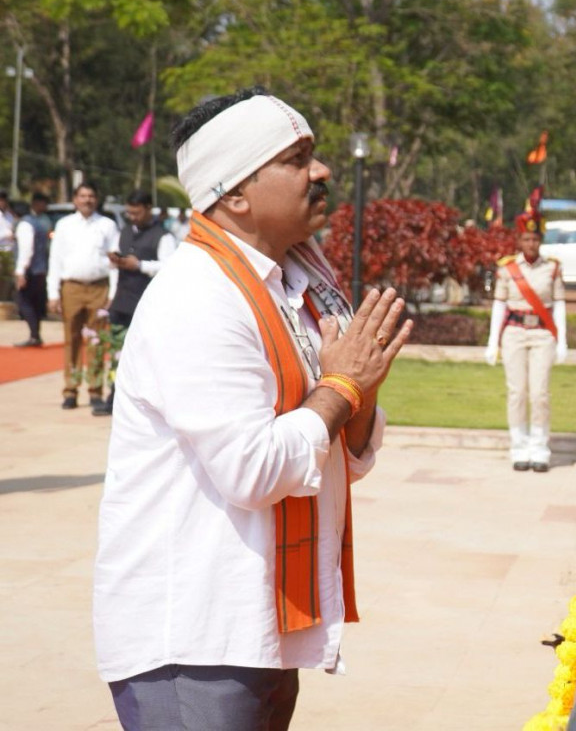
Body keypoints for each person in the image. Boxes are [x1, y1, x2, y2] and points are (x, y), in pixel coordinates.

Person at [93, 88, 413, 730]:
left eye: (315, 155)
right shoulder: (198, 298)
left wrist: (360, 387)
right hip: (191, 635)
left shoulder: (295, 284)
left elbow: (341, 454)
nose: (321, 172)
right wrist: (343, 386)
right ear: (235, 194)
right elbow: (254, 470)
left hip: (253, 624)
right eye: (297, 159)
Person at [485, 209, 567, 472]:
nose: (531, 244)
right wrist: (492, 341)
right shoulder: (507, 269)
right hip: (514, 333)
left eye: (535, 239)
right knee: (517, 392)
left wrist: (563, 339)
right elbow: (499, 305)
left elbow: (560, 304)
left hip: (542, 333)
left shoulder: (552, 268)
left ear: (540, 240)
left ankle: (540, 448)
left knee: (540, 393)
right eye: (526, 239)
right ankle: (519, 447)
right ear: (519, 241)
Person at [92, 189, 178, 416]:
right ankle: (114, 397)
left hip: (147, 304)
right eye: (129, 212)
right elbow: (114, 267)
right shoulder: (124, 232)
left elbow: (170, 268)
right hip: (122, 301)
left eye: (137, 212)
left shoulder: (164, 236)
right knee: (118, 352)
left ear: (149, 208)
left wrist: (140, 265)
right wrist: (112, 288)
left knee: (145, 355)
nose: (132, 216)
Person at [46, 182, 118, 410]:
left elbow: (115, 260)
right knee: (72, 340)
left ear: (96, 199)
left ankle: (95, 390)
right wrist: (52, 293)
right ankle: (71, 390)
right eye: (82, 196)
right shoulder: (64, 225)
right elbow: (55, 260)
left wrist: (113, 293)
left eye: (91, 196)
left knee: (97, 341)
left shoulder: (107, 225)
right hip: (72, 288)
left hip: (98, 288)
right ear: (75, 200)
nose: (87, 200)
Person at [13, 193, 52, 346]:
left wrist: (21, 271)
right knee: (35, 302)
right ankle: (36, 334)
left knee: (23, 301)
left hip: (30, 270)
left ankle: (34, 335)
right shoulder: (40, 224)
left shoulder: (25, 225)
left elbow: (26, 250)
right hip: (41, 269)